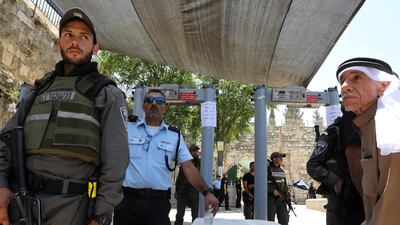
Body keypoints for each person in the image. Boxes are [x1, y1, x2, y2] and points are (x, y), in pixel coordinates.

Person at [0, 7, 129, 225]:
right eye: (68, 35)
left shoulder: (108, 94)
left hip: (73, 208)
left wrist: (102, 214)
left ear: (95, 47)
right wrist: (2, 185)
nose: (75, 41)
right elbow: (6, 142)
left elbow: (116, 162)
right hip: (21, 202)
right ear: (59, 42)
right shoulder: (38, 90)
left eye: (83, 36)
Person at [113, 89, 219, 225]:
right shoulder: (127, 128)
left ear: (165, 107)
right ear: (143, 106)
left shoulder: (174, 136)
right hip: (127, 201)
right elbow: (112, 157)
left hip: (158, 204)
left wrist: (207, 192)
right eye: (149, 100)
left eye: (159, 101)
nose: (154, 104)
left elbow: (189, 168)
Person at [337, 57, 400, 225]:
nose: (344, 87)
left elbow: (393, 206)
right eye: (342, 80)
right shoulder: (368, 125)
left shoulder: (392, 126)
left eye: (356, 77)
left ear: (383, 86)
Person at [307, 110, 364, 225]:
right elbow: (313, 165)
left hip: (363, 197)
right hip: (340, 200)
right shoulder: (333, 133)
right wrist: (334, 180)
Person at [174, 144, 201, 225]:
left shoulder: (200, 162)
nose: (195, 152)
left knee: (195, 214)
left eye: (196, 150)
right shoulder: (184, 162)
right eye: (193, 150)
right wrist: (177, 190)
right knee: (179, 214)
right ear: (189, 151)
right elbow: (179, 177)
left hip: (194, 190)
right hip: (183, 190)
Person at [267, 152, 289, 225]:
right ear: (274, 159)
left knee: (284, 219)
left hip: (281, 198)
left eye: (281, 158)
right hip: (271, 198)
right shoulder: (267, 170)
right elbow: (262, 184)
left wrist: (287, 195)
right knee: (270, 219)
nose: (281, 159)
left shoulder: (282, 171)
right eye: (280, 157)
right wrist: (272, 191)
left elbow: (284, 184)